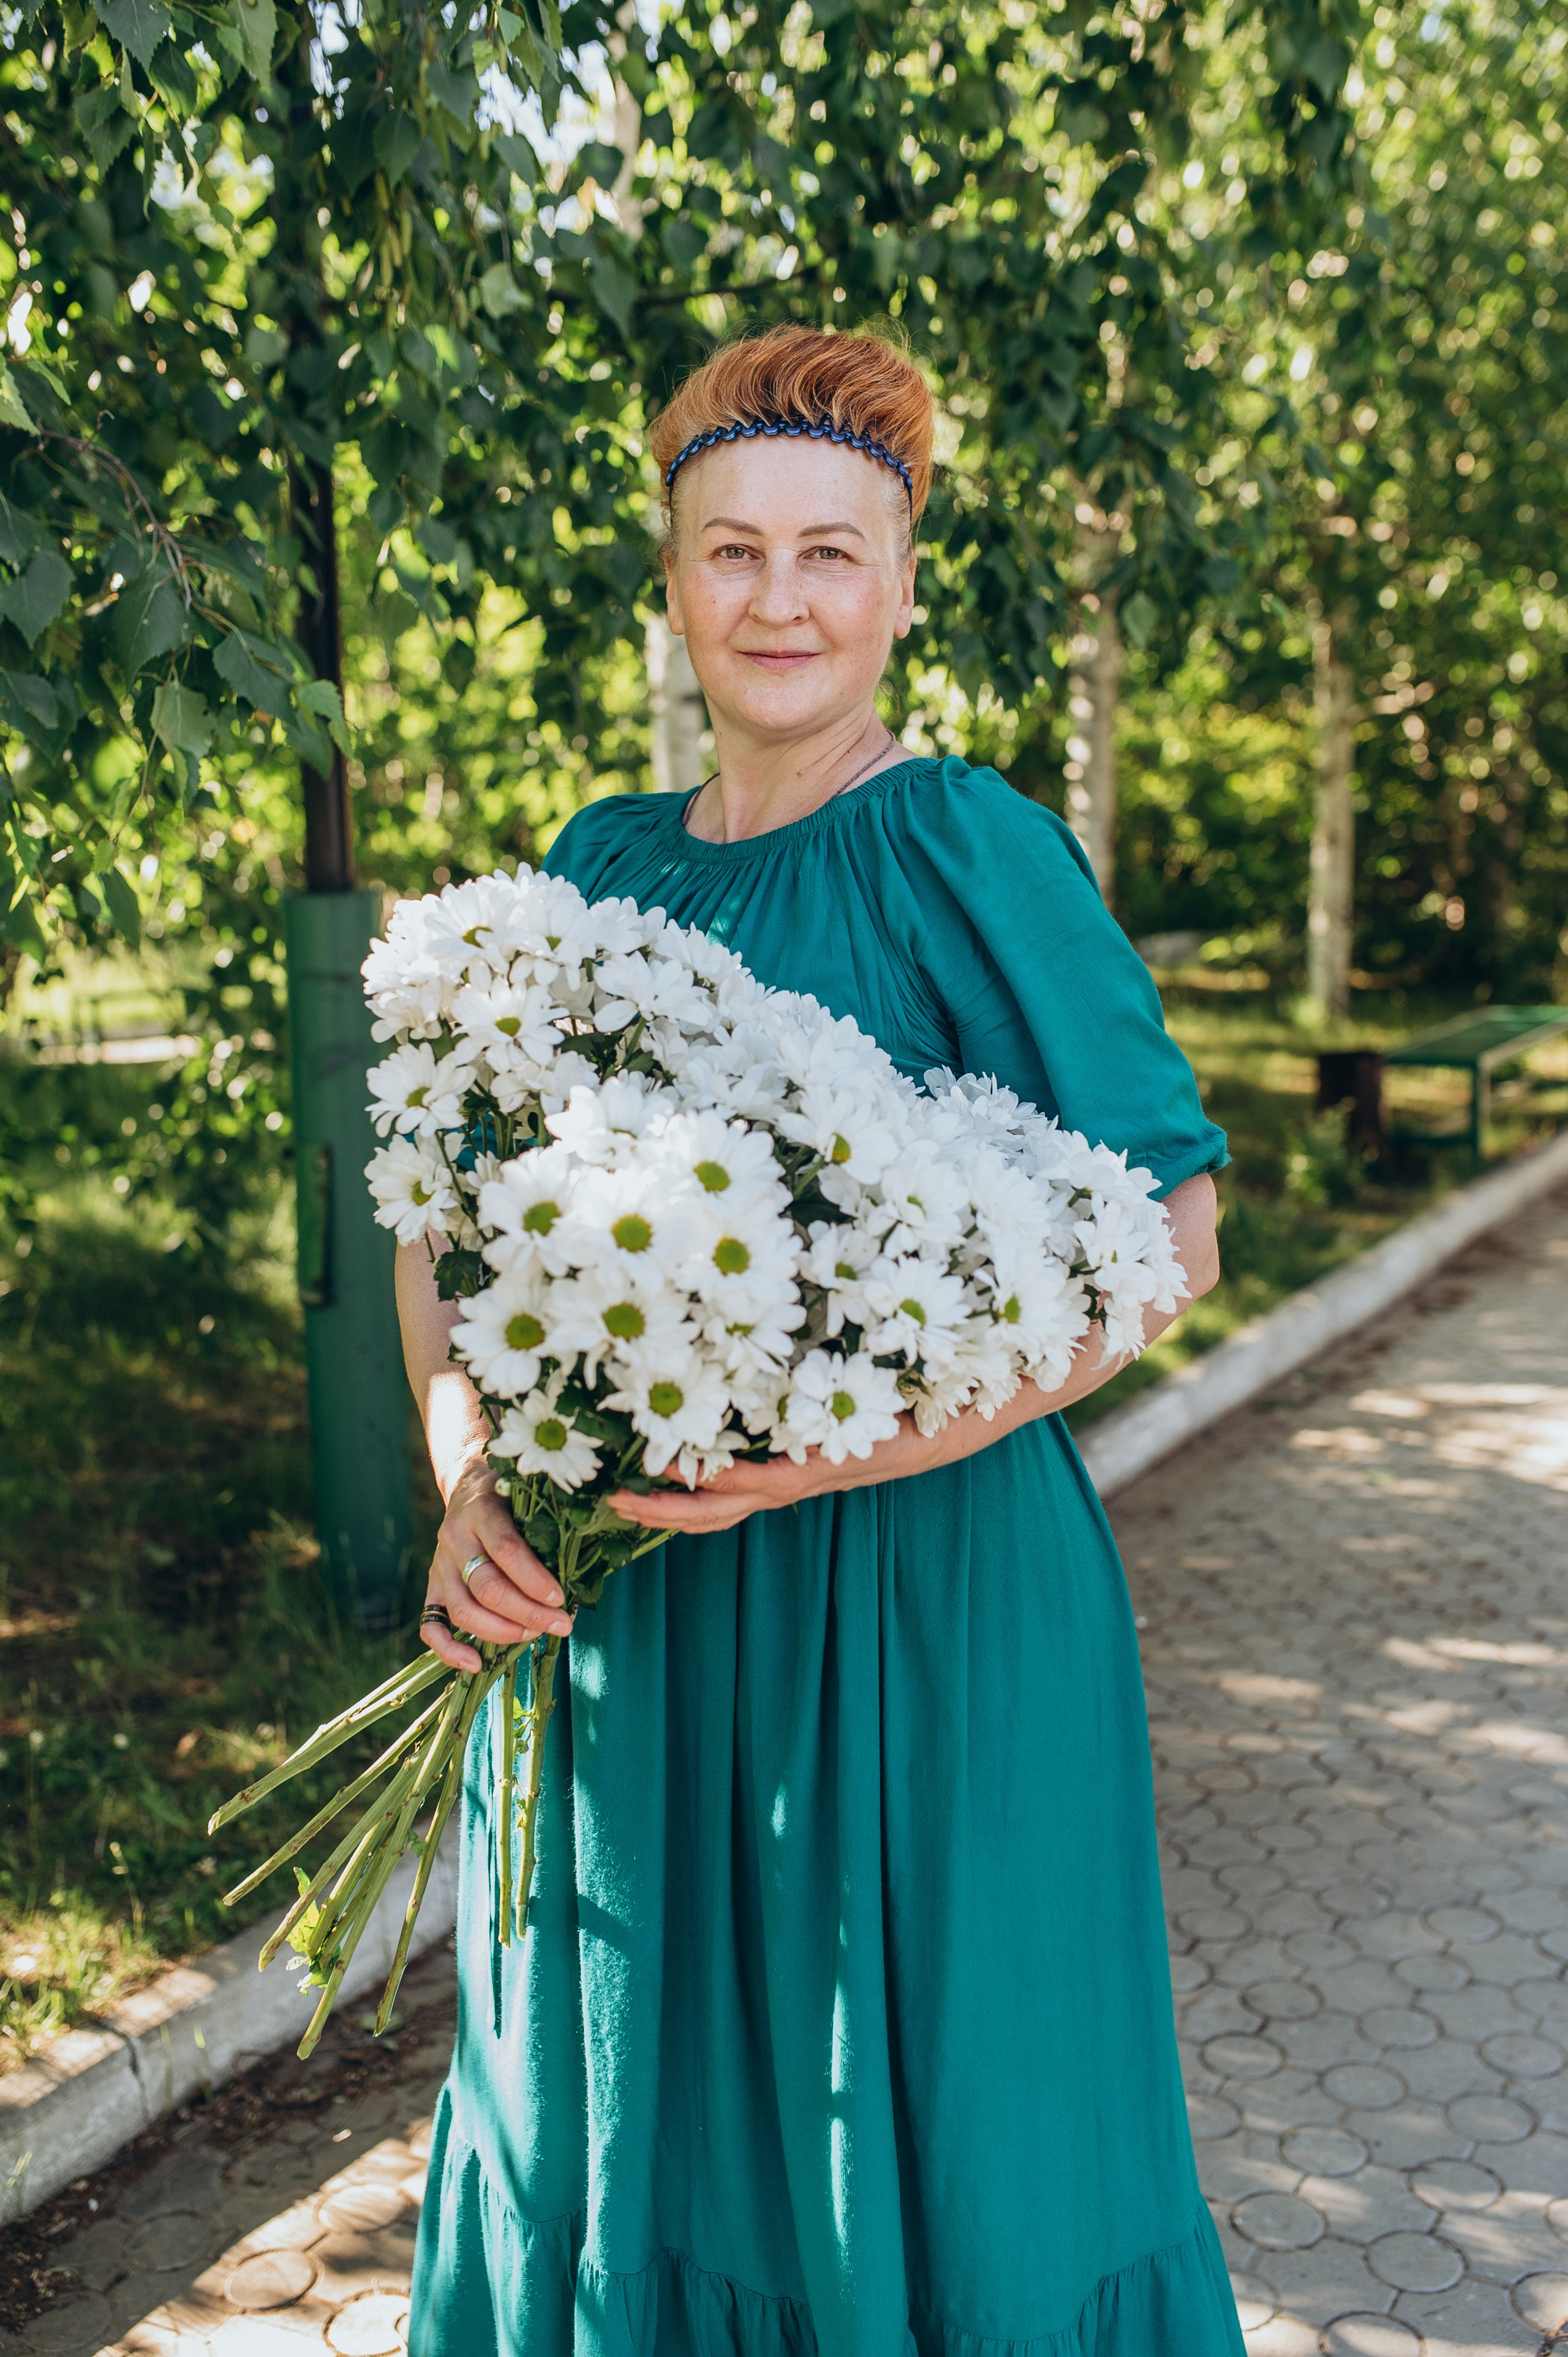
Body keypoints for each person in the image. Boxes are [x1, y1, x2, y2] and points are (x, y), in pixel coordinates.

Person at [399, 324, 1243, 2356]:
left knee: (928, 2122)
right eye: (732, 551)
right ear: (674, 578)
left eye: (830, 554)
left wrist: (829, 1453)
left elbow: (1180, 1234)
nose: (779, 598)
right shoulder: (594, 869)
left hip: (925, 1623)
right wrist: (470, 1482)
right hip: (620, 1634)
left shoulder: (972, 845)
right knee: (605, 2105)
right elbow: (447, 1224)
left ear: (903, 583)